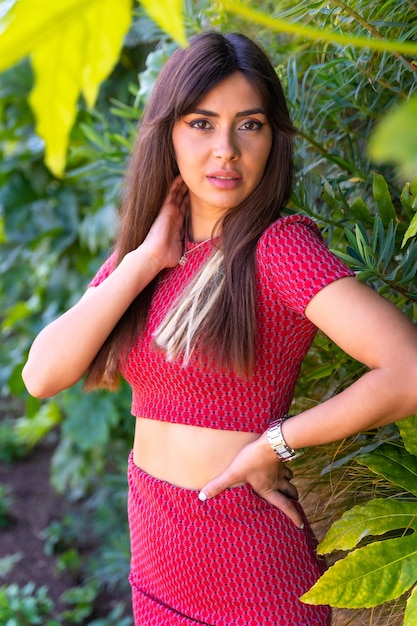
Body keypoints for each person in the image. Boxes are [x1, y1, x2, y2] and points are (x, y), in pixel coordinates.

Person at [22, 31, 417, 626]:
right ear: (169, 134)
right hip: (156, 560)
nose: (226, 149)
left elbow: (407, 370)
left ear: (272, 138)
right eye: (202, 123)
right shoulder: (149, 254)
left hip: (249, 570)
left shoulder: (278, 248)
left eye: (249, 124)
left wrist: (274, 443)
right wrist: (139, 263)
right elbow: (42, 375)